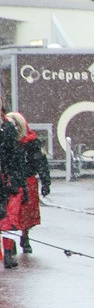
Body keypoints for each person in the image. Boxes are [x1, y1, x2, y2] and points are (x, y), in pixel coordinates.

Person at [0, 113, 49, 261]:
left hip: (25, 180)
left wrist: (45, 180)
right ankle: (11, 243)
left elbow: (40, 161)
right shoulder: (9, 140)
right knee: (12, 215)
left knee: (23, 214)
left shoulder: (30, 142)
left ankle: (23, 237)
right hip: (14, 180)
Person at [0, 109, 27, 269]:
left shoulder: (7, 129)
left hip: (7, 182)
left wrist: (18, 182)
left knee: (8, 220)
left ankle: (9, 252)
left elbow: (15, 157)